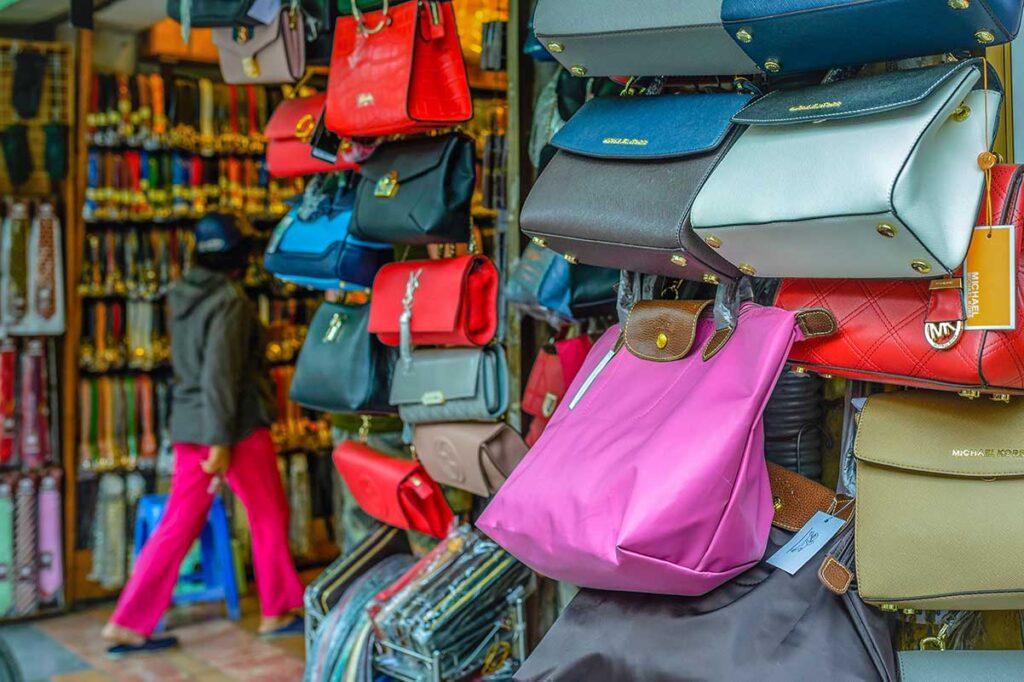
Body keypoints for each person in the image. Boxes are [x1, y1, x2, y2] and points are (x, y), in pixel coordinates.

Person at [102, 213, 305, 656]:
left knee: (178, 524)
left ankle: (128, 621)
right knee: (268, 514)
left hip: (191, 423)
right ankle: (278, 609)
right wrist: (220, 442)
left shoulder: (182, 294)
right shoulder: (230, 301)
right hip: (232, 428)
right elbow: (221, 374)